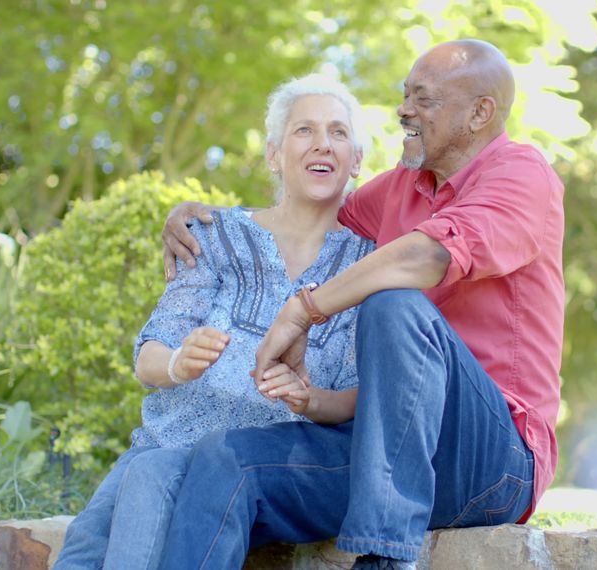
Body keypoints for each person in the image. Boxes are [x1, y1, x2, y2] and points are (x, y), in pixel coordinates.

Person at [158, 39, 565, 569]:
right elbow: (307, 215)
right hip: (384, 452)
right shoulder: (398, 189)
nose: (403, 111)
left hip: (493, 461)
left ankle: (383, 556)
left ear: (479, 113)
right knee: (225, 457)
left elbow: (426, 256)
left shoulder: (522, 174)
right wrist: (209, 225)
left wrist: (304, 309)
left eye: (424, 99)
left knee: (394, 304)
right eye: (404, 96)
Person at [52, 73, 374, 570]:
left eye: (337, 132)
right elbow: (149, 355)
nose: (322, 144)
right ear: (274, 155)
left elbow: (356, 399)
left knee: (150, 480)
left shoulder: (366, 267)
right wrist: (180, 362)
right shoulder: (214, 235)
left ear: (356, 160)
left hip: (256, 468)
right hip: (164, 443)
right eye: (304, 130)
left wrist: (306, 398)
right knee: (81, 555)